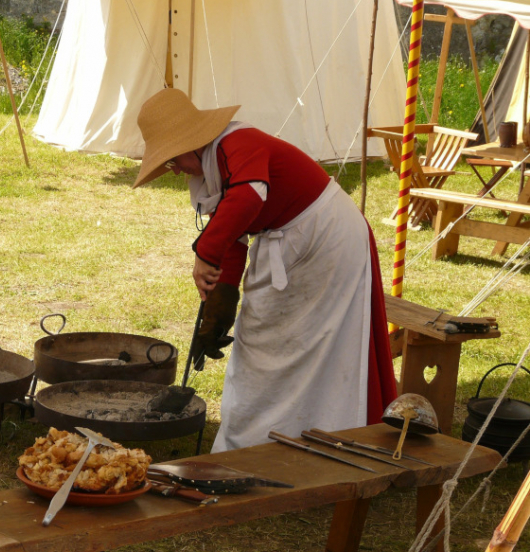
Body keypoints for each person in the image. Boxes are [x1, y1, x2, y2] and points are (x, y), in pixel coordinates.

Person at [133, 88, 397, 453]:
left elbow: (249, 196)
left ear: (192, 143)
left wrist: (204, 253)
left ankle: (295, 442)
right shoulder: (216, 165)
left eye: (174, 160)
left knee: (308, 345)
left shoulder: (237, 143)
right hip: (297, 240)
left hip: (325, 238)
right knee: (272, 341)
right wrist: (221, 299)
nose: (175, 171)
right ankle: (273, 443)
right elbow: (236, 234)